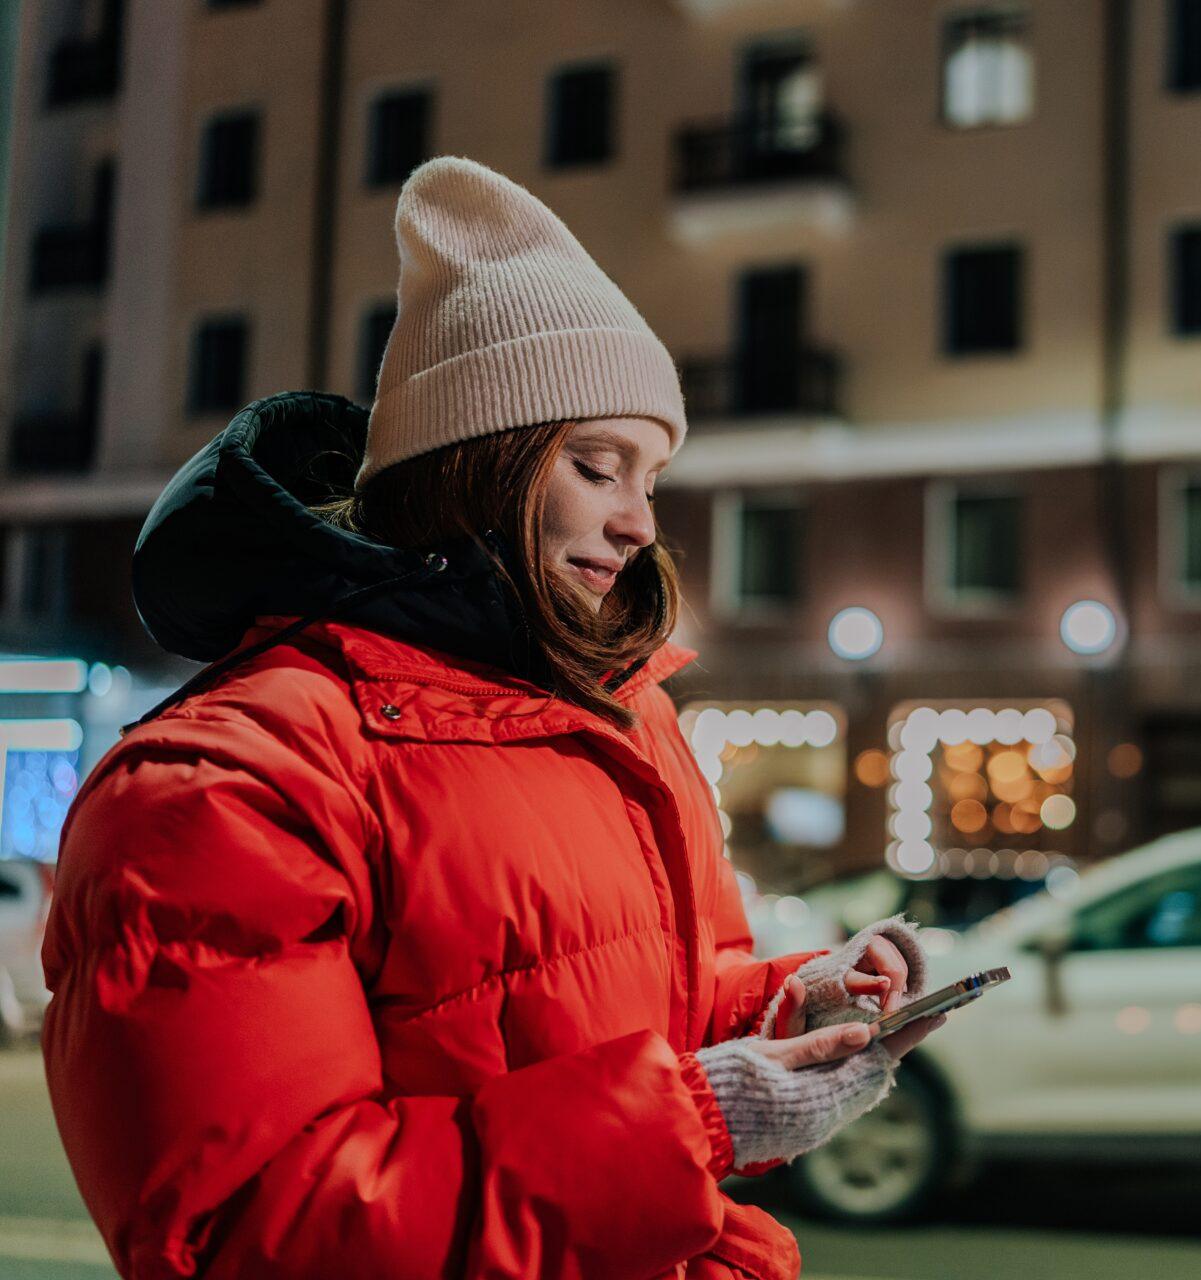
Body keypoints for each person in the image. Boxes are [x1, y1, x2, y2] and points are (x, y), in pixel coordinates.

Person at [39, 155, 940, 1280]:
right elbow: (260, 1228)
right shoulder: (233, 779)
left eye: (650, 479)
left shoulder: (621, 717)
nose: (636, 525)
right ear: (473, 468)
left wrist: (790, 1007)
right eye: (597, 466)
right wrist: (694, 1118)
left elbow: (622, 1004)